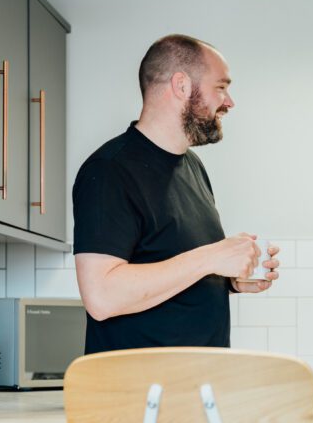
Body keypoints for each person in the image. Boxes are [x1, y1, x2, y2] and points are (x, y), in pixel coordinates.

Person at [72, 34, 280, 354]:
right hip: (138, 398)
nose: (229, 102)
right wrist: (212, 256)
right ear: (181, 86)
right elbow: (101, 296)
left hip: (196, 391)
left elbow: (173, 267)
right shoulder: (109, 170)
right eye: (221, 87)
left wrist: (229, 277)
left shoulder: (192, 168)